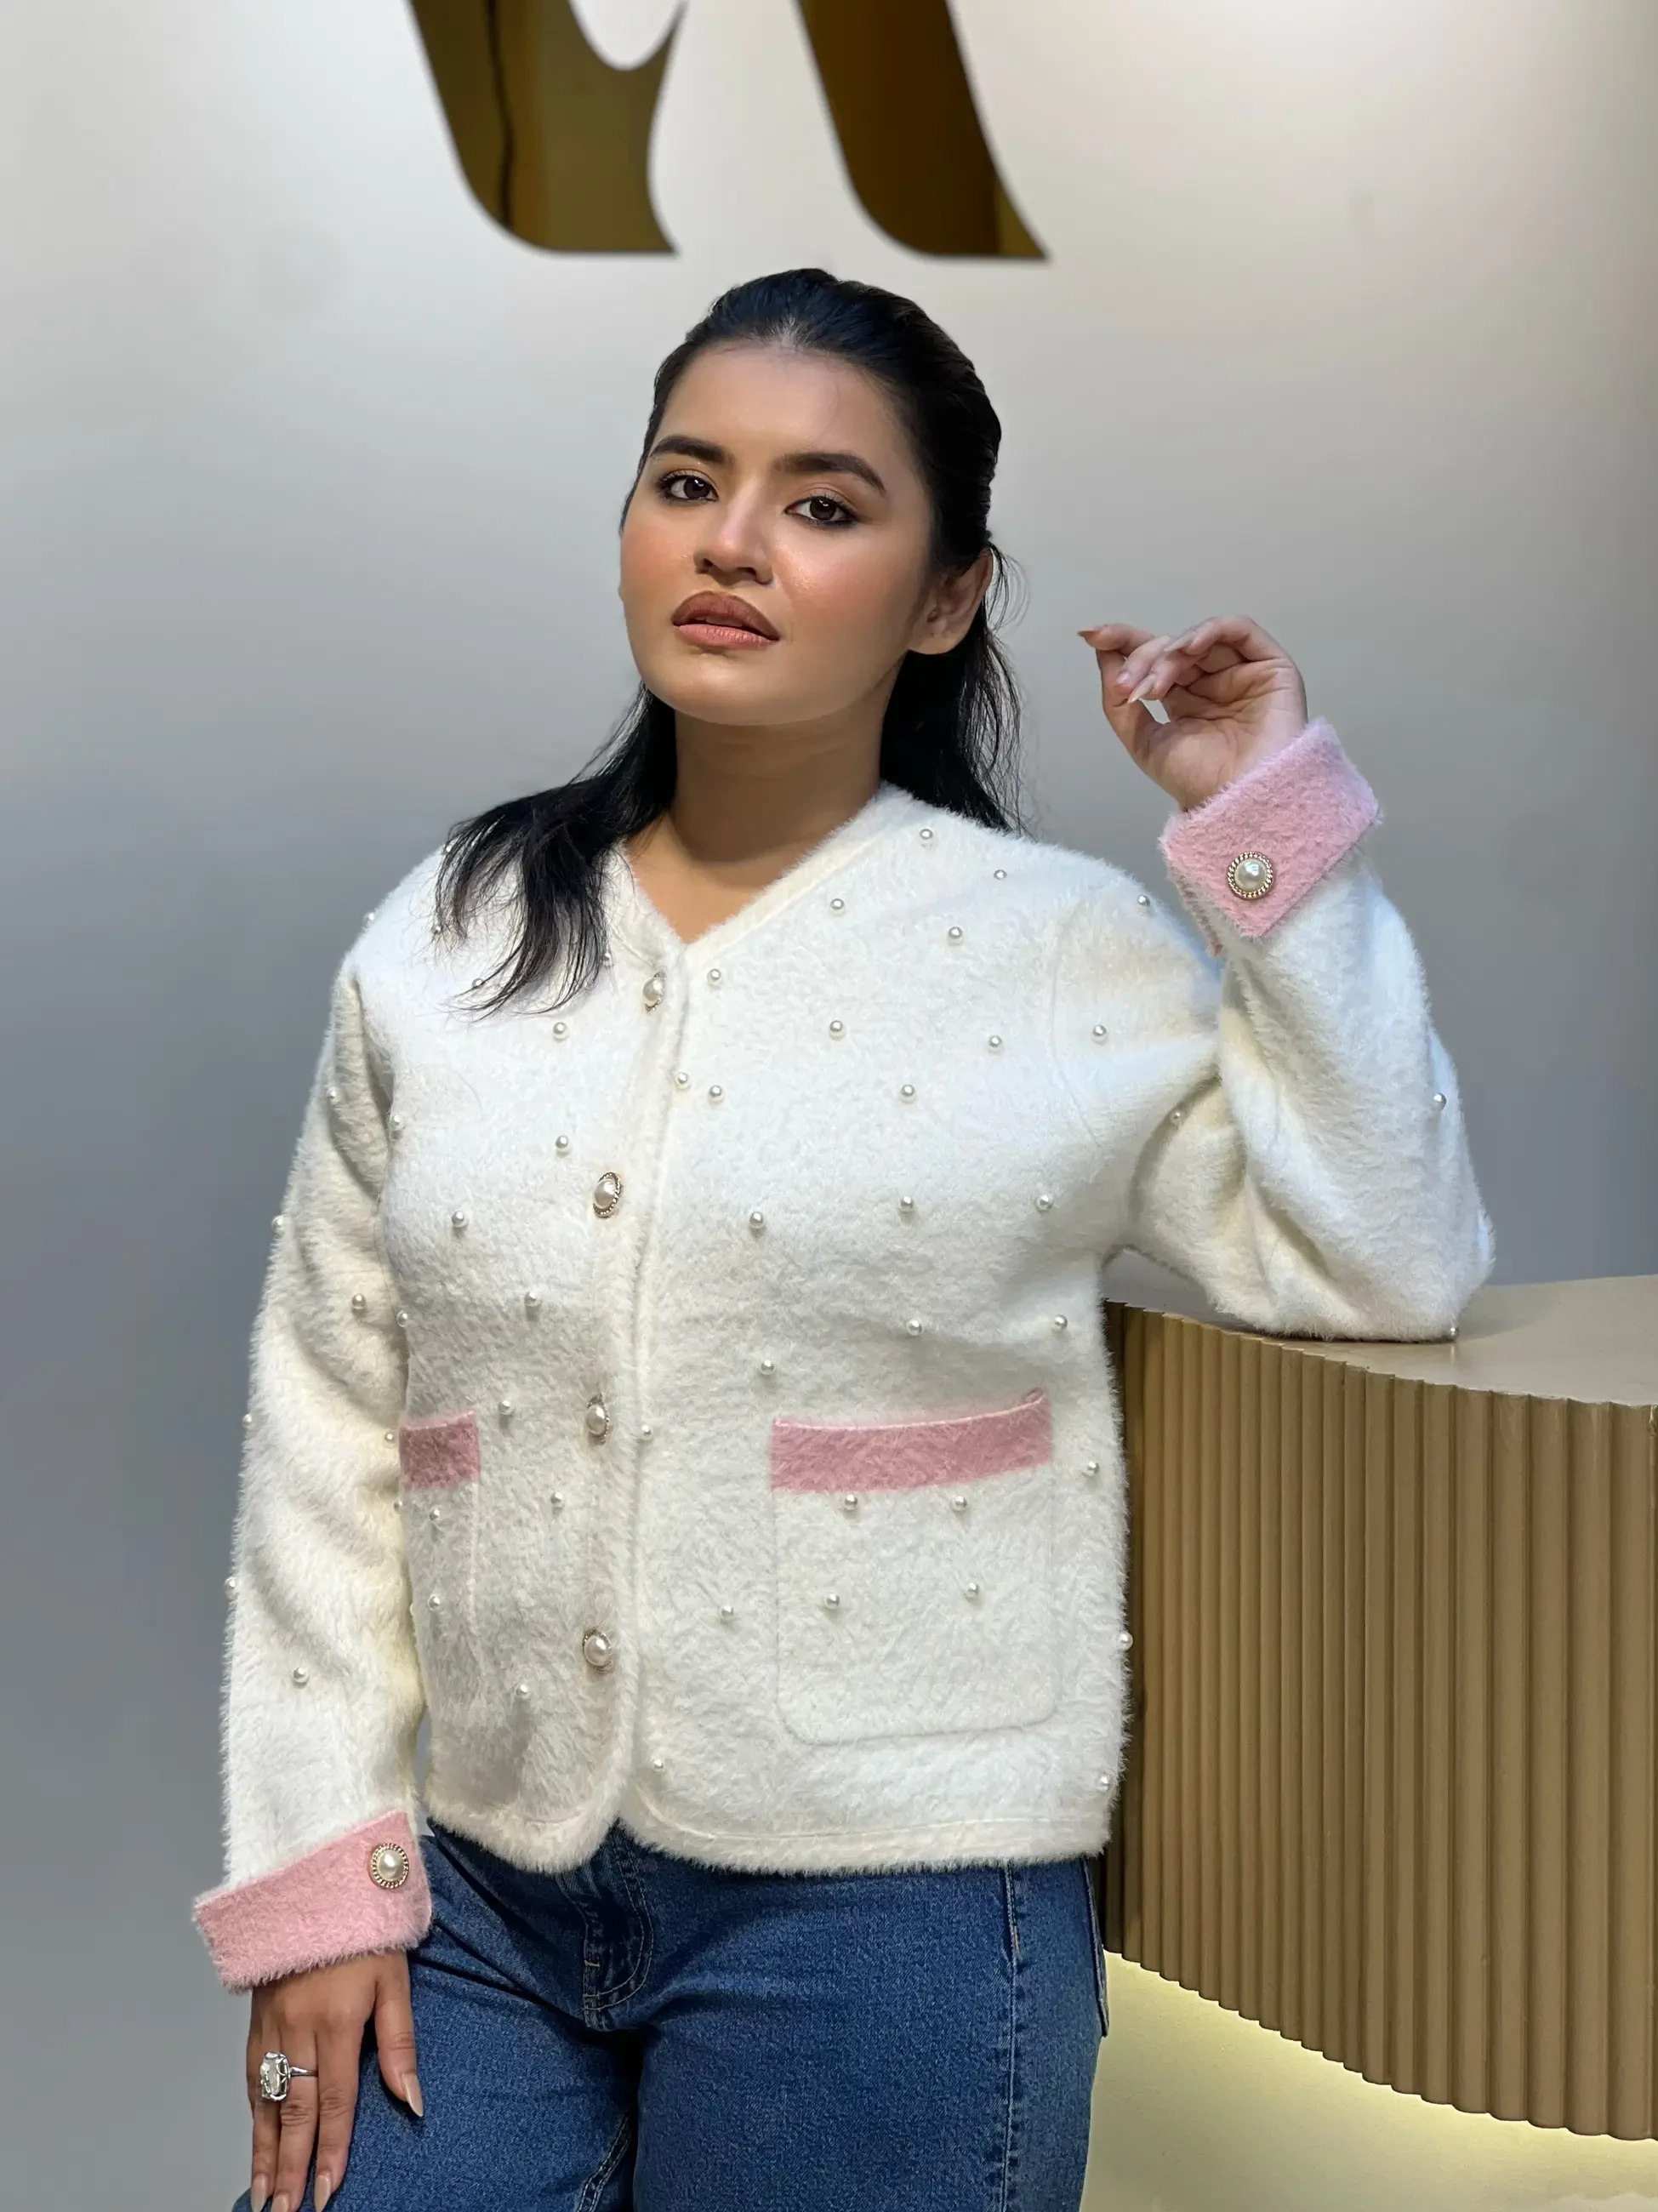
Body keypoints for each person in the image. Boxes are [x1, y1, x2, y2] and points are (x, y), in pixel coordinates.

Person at [193, 267, 1492, 2212]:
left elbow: (1382, 1253)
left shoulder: (1056, 952)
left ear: (945, 594)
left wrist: (1266, 825)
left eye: (821, 503)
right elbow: (328, 1404)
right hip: (476, 1882)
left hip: (888, 1903)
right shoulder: (457, 928)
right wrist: (319, 1872)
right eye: (685, 480)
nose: (730, 543)